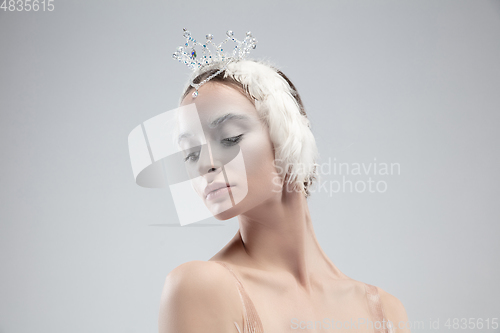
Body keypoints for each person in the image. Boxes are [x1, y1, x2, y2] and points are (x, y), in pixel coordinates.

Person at [158, 59, 411, 333]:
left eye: (230, 137)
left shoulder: (386, 312)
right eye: (191, 153)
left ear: (287, 134)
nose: (204, 164)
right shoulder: (200, 288)